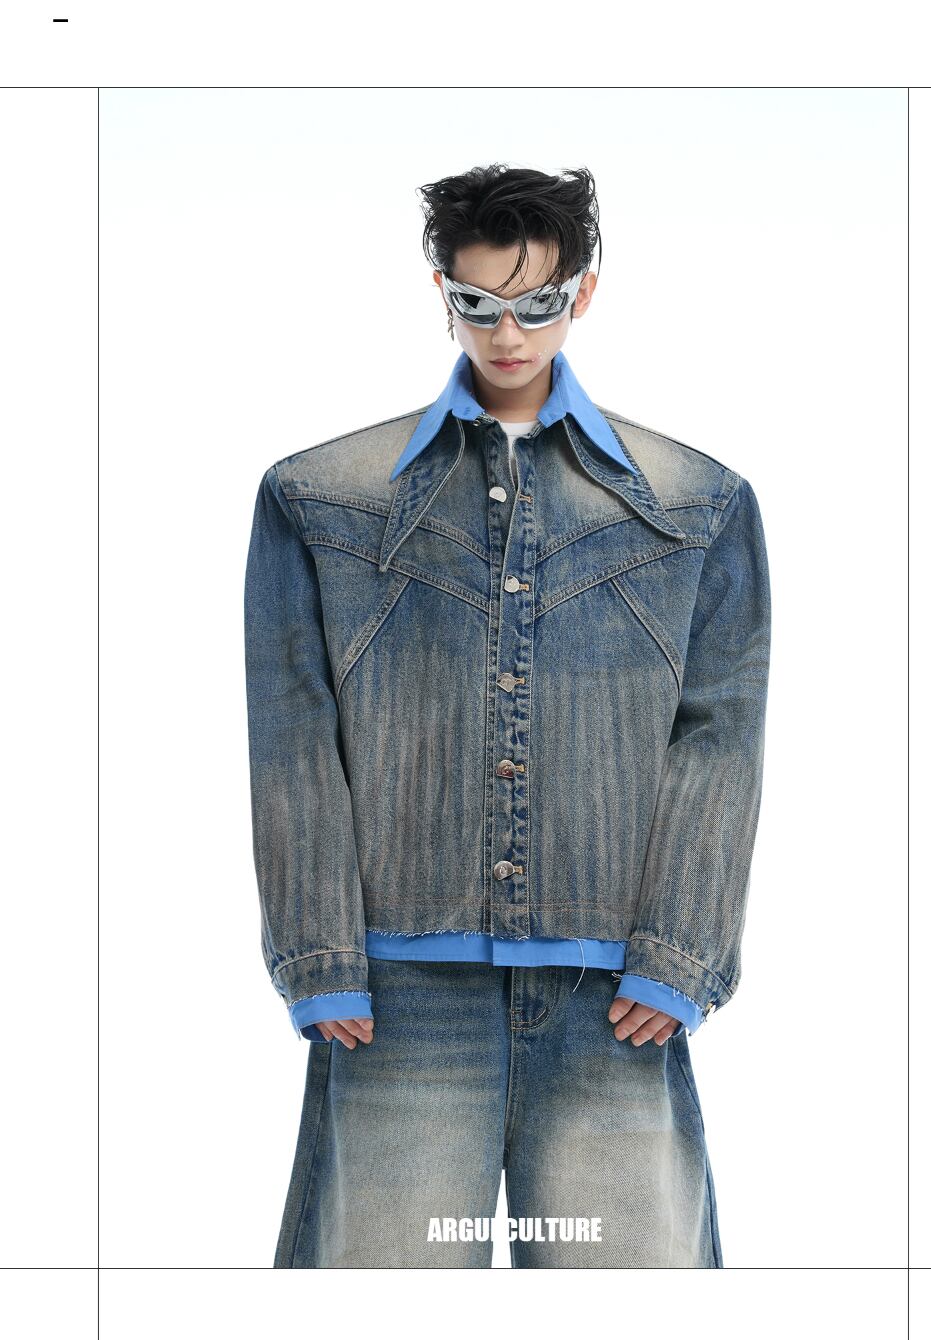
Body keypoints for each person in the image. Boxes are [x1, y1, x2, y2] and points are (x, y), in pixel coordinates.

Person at [243, 163, 771, 1268]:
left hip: (612, 995)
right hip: (397, 995)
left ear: (585, 293)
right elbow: (293, 738)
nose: (508, 333)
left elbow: (720, 737)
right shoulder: (322, 497)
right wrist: (320, 954)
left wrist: (679, 953)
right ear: (443, 293)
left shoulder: (696, 504)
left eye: (538, 303)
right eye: (479, 304)